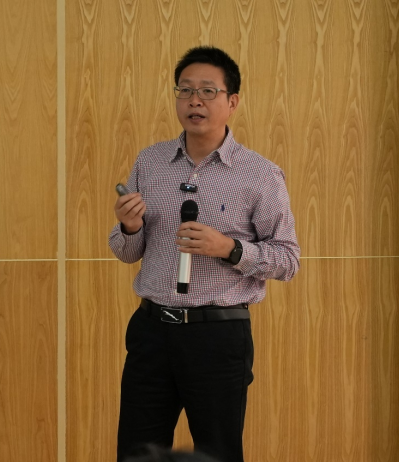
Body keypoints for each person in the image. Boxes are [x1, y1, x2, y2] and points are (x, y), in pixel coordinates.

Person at [109, 46, 300, 463]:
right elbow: (127, 252)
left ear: (232, 102)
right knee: (136, 454)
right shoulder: (150, 162)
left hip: (217, 337)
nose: (194, 100)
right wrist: (130, 227)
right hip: (152, 332)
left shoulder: (259, 174)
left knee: (218, 454)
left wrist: (229, 249)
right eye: (186, 90)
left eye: (208, 91)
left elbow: (288, 259)